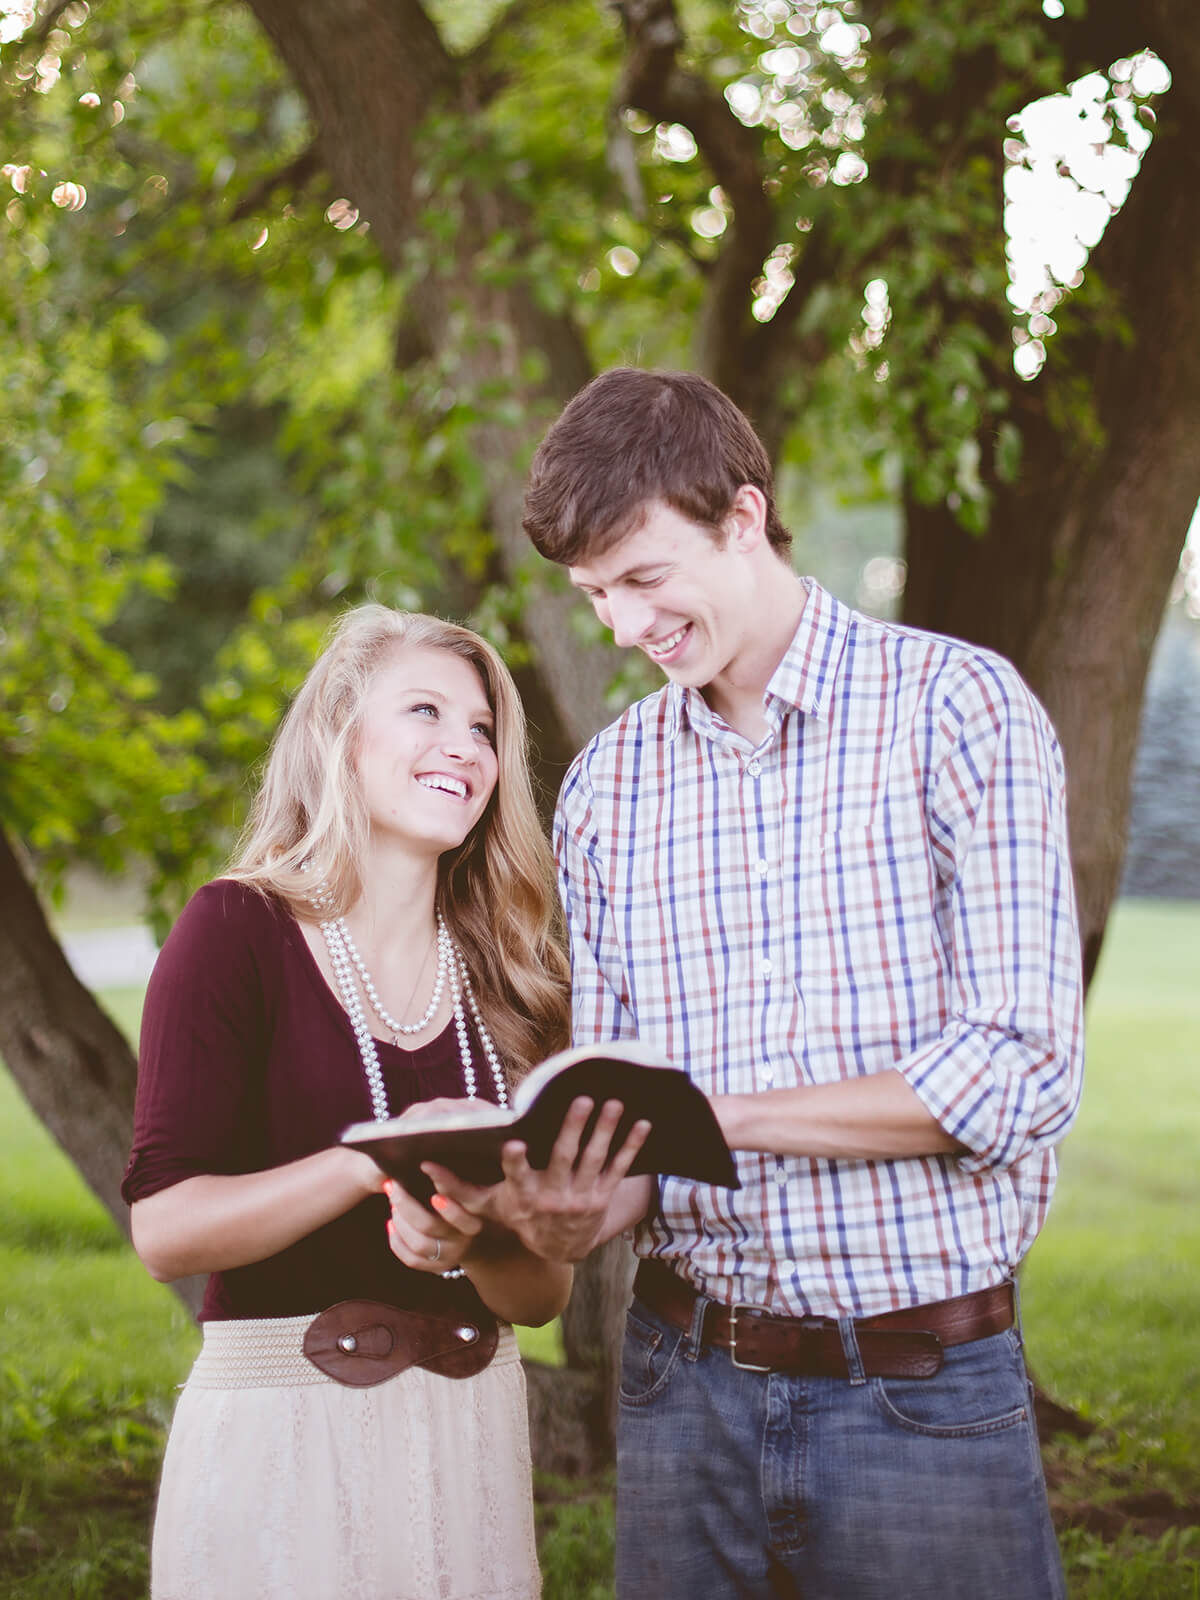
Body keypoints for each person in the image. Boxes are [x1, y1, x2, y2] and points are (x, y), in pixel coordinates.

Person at [500, 367, 1085, 1598]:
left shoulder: (956, 709)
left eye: (643, 577)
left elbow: (1020, 1071)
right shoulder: (608, 788)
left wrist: (717, 1115)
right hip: (680, 1390)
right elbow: (630, 1139)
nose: (623, 626)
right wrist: (562, 1209)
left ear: (744, 517)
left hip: (920, 1395)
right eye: (595, 595)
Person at [122, 604, 574, 1600]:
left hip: (469, 1443)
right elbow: (165, 1230)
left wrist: (474, 1238)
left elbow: (543, 1297)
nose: (464, 746)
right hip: (284, 1439)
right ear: (341, 734)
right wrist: (375, 1160)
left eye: (483, 729)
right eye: (425, 711)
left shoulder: (513, 978)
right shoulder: (235, 929)